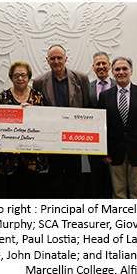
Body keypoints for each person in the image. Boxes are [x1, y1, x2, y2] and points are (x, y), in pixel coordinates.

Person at [32, 44, 90, 198]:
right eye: (53, 58)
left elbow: (87, 107)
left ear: (66, 59)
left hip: (74, 136)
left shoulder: (81, 78)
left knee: (75, 174)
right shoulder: (38, 81)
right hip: (51, 137)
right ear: (47, 60)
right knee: (54, 175)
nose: (56, 61)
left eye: (59, 58)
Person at [98, 57, 137, 199]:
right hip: (114, 153)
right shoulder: (105, 96)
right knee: (118, 194)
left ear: (131, 71)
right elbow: (102, 127)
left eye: (124, 68)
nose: (121, 72)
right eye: (117, 69)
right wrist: (103, 152)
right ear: (112, 72)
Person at [0, 61, 48, 198]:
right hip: (8, 156)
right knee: (11, 194)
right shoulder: (2, 98)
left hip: (32, 157)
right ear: (11, 77)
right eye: (16, 75)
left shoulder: (38, 97)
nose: (20, 79)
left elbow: (45, 124)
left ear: (29, 77)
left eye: (23, 75)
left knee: (32, 193)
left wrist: (33, 112)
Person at [89, 52, 116, 198]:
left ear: (109, 66)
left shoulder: (119, 85)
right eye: (98, 64)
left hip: (115, 140)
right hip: (94, 140)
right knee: (96, 176)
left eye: (104, 63)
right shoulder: (87, 87)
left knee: (116, 179)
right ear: (93, 67)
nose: (101, 67)